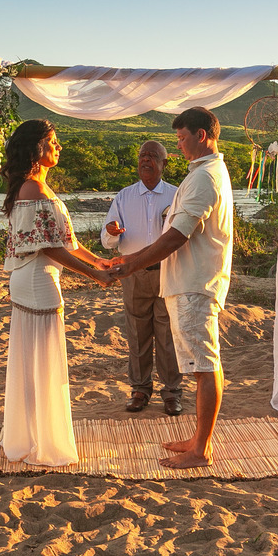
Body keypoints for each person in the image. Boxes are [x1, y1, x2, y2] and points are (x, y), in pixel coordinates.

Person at [113, 107, 232, 469]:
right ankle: (199, 439)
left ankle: (202, 449)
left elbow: (177, 236)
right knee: (203, 363)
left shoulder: (203, 178)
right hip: (191, 281)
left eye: (182, 138)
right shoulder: (205, 173)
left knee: (204, 366)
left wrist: (130, 263)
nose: (179, 146)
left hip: (195, 284)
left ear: (202, 135)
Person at [0, 119, 115, 466]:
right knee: (40, 360)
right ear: (37, 148)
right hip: (37, 281)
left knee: (38, 358)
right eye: (53, 141)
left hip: (36, 278)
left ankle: (36, 434)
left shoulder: (37, 188)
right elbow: (48, 247)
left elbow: (67, 242)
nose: (59, 147)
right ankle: (40, 440)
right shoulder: (32, 189)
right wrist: (94, 275)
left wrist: (100, 261)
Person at [101, 140, 184, 416]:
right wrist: (112, 231)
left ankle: (172, 393)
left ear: (164, 163)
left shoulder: (176, 195)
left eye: (152, 156)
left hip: (168, 273)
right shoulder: (123, 197)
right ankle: (139, 390)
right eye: (142, 156)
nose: (146, 160)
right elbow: (107, 243)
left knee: (167, 335)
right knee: (137, 334)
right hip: (133, 274)